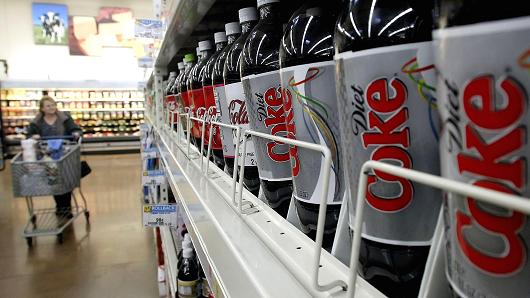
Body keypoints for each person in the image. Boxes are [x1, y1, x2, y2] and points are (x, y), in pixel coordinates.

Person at [27, 95, 82, 218]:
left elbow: (75, 129)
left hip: (66, 154)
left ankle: (65, 207)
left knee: (66, 180)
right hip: (48, 156)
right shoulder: (37, 122)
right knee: (54, 181)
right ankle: (61, 206)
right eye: (48, 106)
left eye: (53, 105)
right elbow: (29, 134)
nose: (52, 107)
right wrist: (33, 136)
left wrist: (76, 133)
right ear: (42, 109)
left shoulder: (65, 118)